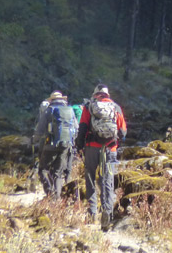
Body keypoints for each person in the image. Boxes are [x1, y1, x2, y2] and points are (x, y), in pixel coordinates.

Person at [76, 83, 127, 230]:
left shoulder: (89, 107)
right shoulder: (116, 107)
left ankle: (92, 213)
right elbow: (123, 132)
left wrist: (79, 146)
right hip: (110, 149)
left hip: (92, 148)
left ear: (95, 94)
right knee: (107, 180)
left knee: (90, 178)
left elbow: (83, 128)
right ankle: (107, 213)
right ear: (107, 94)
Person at [31, 90, 78, 200]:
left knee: (43, 169)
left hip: (50, 144)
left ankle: (49, 193)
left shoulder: (49, 110)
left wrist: (34, 140)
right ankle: (57, 198)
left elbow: (40, 129)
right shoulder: (70, 110)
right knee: (58, 172)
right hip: (66, 145)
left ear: (51, 100)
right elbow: (76, 128)